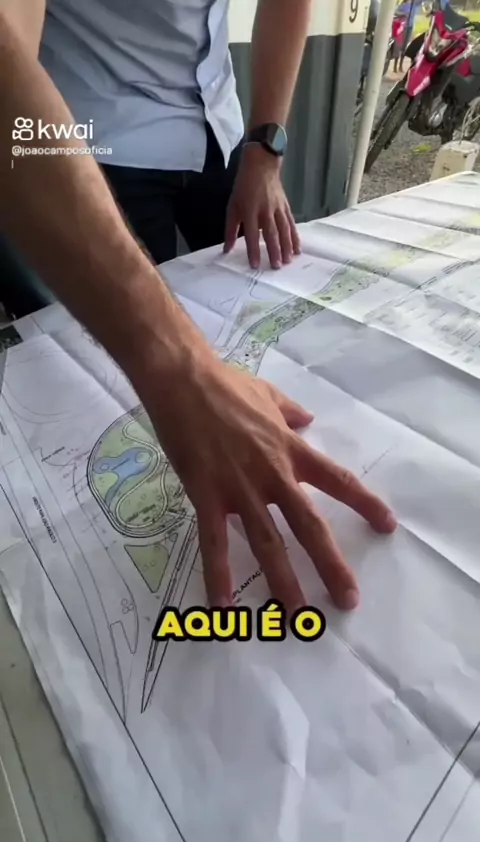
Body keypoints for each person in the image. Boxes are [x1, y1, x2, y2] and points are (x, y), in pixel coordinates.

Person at [0, 0, 397, 615]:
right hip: (91, 146)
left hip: (221, 129)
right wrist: (182, 370)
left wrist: (264, 150)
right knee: (87, 365)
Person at [38, 0, 303, 271]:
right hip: (107, 138)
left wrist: (265, 154)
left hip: (219, 127)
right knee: (134, 294)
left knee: (262, 276)